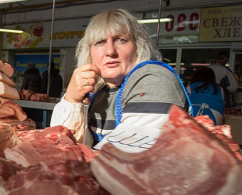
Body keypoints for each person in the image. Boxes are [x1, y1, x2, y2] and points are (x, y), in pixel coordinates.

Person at [50, 9, 189, 147]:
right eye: (100, 42)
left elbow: (131, 159)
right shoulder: (99, 93)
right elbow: (62, 149)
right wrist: (71, 100)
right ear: (89, 52)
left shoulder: (154, 78)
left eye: (121, 40)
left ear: (138, 47)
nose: (110, 51)